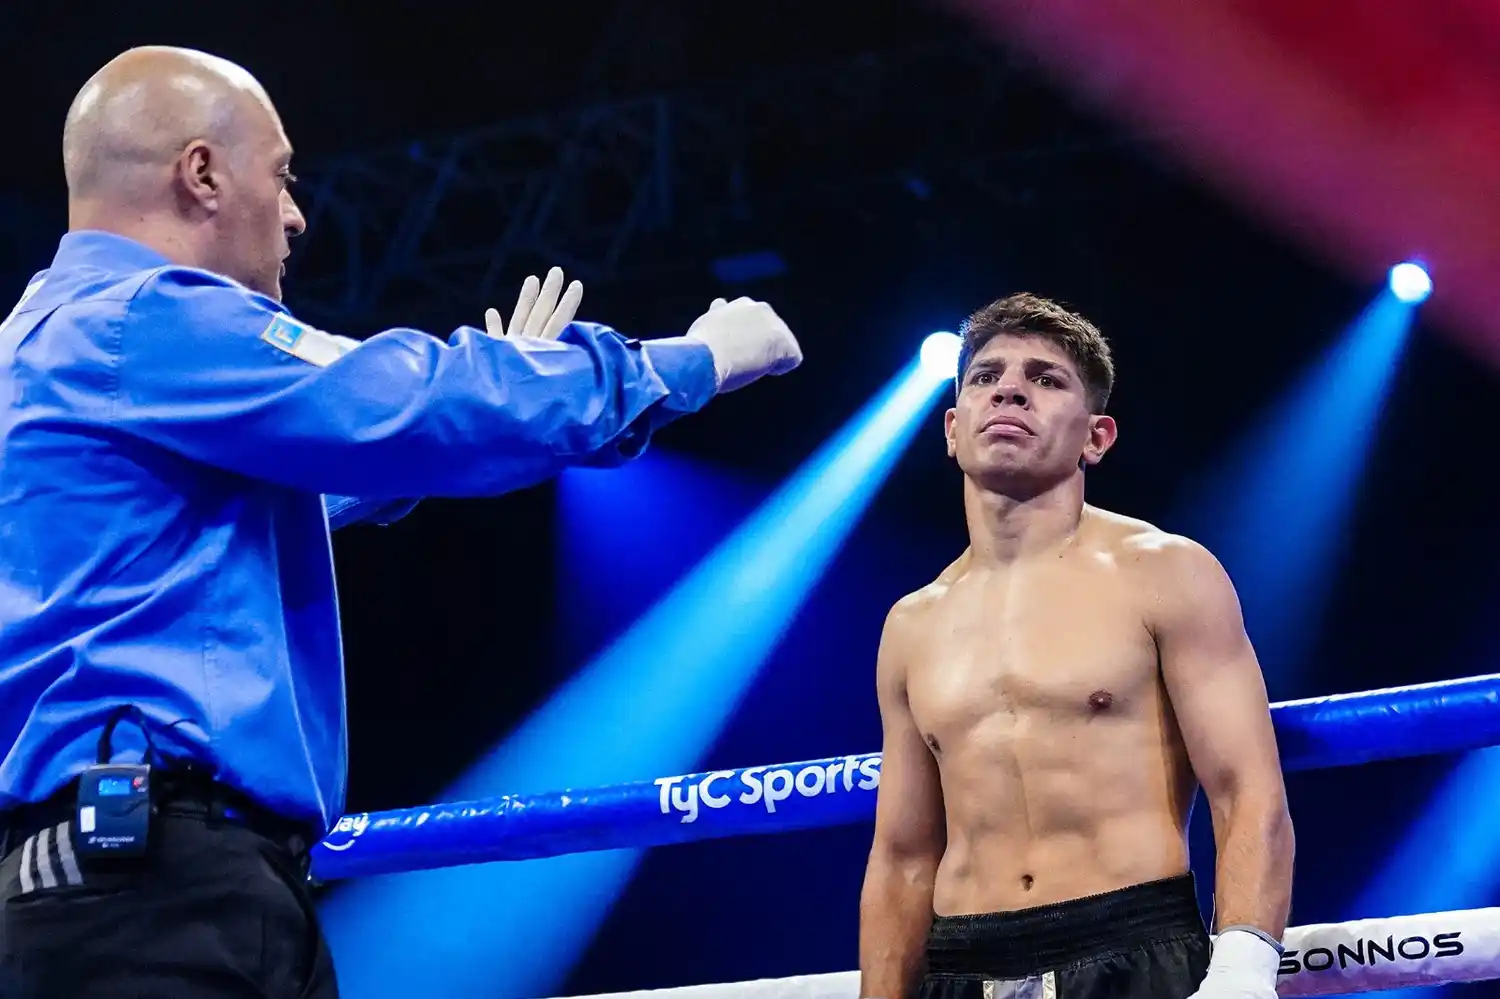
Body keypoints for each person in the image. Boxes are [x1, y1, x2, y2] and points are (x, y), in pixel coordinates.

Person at [0, 45, 802, 998]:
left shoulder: (43, 340)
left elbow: (310, 490)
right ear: (202, 173)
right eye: (283, 173)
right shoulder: (143, 319)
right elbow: (397, 403)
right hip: (151, 889)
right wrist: (688, 362)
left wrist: (506, 395)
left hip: (127, 875)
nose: (296, 212)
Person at [857, 294, 1294, 999]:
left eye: (1045, 379)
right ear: (951, 427)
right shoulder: (912, 624)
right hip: (962, 962)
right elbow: (904, 856)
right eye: (985, 375)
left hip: (1130, 946)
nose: (1008, 388)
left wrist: (1243, 968)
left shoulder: (1164, 571)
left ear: (1097, 437)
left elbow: (1248, 791)